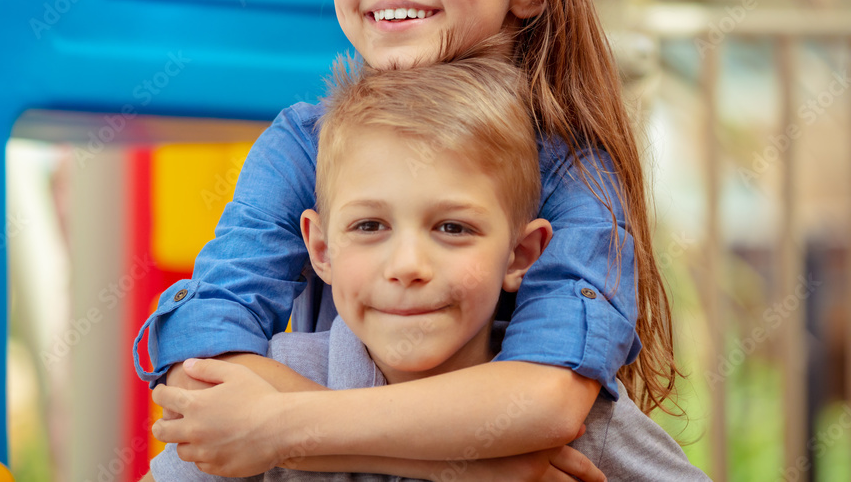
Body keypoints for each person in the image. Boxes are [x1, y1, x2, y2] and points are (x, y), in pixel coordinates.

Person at [133, 0, 682, 476]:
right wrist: (471, 469)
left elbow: (546, 400)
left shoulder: (567, 162)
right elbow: (205, 354)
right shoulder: (303, 145)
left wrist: (282, 425)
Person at [143, 45, 707, 481]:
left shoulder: (589, 430)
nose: (408, 264)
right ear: (320, 249)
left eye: (452, 228)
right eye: (369, 226)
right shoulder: (242, 401)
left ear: (523, 255)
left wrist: (284, 429)